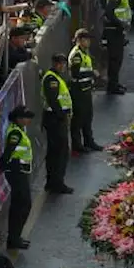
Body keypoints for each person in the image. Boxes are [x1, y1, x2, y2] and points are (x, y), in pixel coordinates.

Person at [0, 105, 35, 249]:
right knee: (22, 205)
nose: (28, 120)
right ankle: (14, 238)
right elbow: (8, 152)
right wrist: (0, 167)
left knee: (21, 205)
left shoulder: (18, 130)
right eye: (26, 118)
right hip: (16, 172)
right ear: (18, 119)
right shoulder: (15, 133)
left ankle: (15, 237)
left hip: (20, 172)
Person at [41, 53, 73, 194]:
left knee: (56, 152)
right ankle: (57, 183)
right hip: (55, 119)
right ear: (54, 63)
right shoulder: (51, 79)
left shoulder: (56, 77)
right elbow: (53, 101)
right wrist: (61, 116)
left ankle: (53, 182)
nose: (62, 66)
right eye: (59, 63)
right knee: (60, 152)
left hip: (56, 118)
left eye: (63, 64)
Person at [67, 29, 102, 151]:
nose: (89, 42)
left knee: (88, 117)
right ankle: (77, 145)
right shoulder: (77, 54)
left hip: (86, 89)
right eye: (87, 40)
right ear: (80, 40)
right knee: (78, 119)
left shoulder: (84, 52)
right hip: (78, 91)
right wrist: (92, 73)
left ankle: (89, 141)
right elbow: (76, 74)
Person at [102, 0, 131, 94]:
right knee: (114, 59)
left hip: (118, 31)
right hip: (114, 31)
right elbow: (109, 12)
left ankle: (115, 83)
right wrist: (120, 24)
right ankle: (112, 86)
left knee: (118, 59)